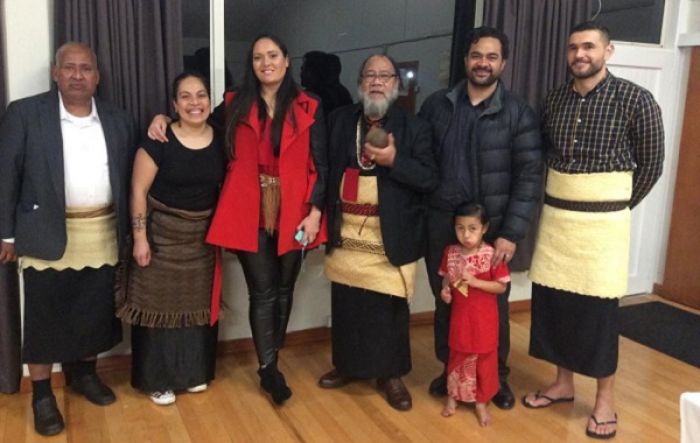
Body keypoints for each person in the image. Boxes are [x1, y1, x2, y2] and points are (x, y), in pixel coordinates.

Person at [151, 34, 328, 405]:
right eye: (258, 56)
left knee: (284, 289)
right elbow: (195, 121)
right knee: (262, 292)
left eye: (273, 55)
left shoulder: (310, 104)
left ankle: (272, 354)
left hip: (296, 211)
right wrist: (163, 118)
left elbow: (322, 164)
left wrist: (314, 213)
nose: (266, 62)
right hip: (251, 209)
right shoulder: (234, 102)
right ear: (251, 63)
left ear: (286, 60)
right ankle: (269, 369)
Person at [523, 22, 664, 440]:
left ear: (609, 51)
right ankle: (563, 383)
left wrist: (611, 207)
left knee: (598, 313)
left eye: (588, 46)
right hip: (557, 222)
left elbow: (651, 166)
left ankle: (605, 400)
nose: (579, 54)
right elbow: (545, 153)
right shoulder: (553, 100)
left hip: (603, 227)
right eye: (573, 48)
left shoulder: (636, 100)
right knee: (554, 304)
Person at [0, 42, 136, 436]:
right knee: (44, 318)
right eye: (70, 68)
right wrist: (6, 234)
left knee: (92, 312)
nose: (78, 75)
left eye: (86, 68)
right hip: (44, 235)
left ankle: (85, 376)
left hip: (101, 232)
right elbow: (6, 176)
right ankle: (42, 394)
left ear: (97, 76)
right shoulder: (25, 113)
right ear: (54, 73)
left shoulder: (118, 119)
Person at [419, 26, 543, 409]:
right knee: (447, 301)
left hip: (492, 230)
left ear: (503, 63)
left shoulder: (518, 112)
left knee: (492, 309)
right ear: (466, 59)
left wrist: (510, 233)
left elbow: (529, 176)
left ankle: (495, 379)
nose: (483, 63)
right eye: (477, 55)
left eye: (491, 56)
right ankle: (451, 371)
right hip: (443, 224)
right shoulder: (437, 105)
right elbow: (423, 164)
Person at [318, 54, 438, 411]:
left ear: (396, 86)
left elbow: (429, 179)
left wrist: (394, 162)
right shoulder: (339, 121)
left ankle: (391, 375)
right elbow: (324, 171)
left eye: (385, 76)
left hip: (391, 230)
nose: (376, 81)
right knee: (348, 302)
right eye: (370, 74)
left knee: (388, 309)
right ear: (359, 83)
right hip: (348, 229)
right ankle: (348, 366)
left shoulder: (415, 127)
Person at [116, 72, 225, 405]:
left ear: (210, 100)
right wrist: (139, 238)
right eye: (186, 96)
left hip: (201, 240)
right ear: (174, 104)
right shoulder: (158, 140)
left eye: (201, 95)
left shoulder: (222, 138)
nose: (195, 103)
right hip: (160, 236)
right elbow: (137, 190)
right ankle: (157, 380)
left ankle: (193, 374)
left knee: (195, 311)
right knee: (156, 310)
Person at [439, 203, 510, 426]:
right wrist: (445, 290)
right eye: (460, 228)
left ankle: (481, 402)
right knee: (457, 355)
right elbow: (445, 276)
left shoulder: (491, 255)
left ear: (484, 228)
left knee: (484, 360)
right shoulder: (450, 252)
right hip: (460, 317)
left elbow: (501, 287)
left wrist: (477, 281)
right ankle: (453, 397)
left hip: (484, 319)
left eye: (472, 228)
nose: (466, 235)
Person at [300, 51, 353, 117]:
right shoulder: (342, 92)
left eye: (305, 69)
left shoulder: (316, 96)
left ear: (315, 71)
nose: (301, 73)